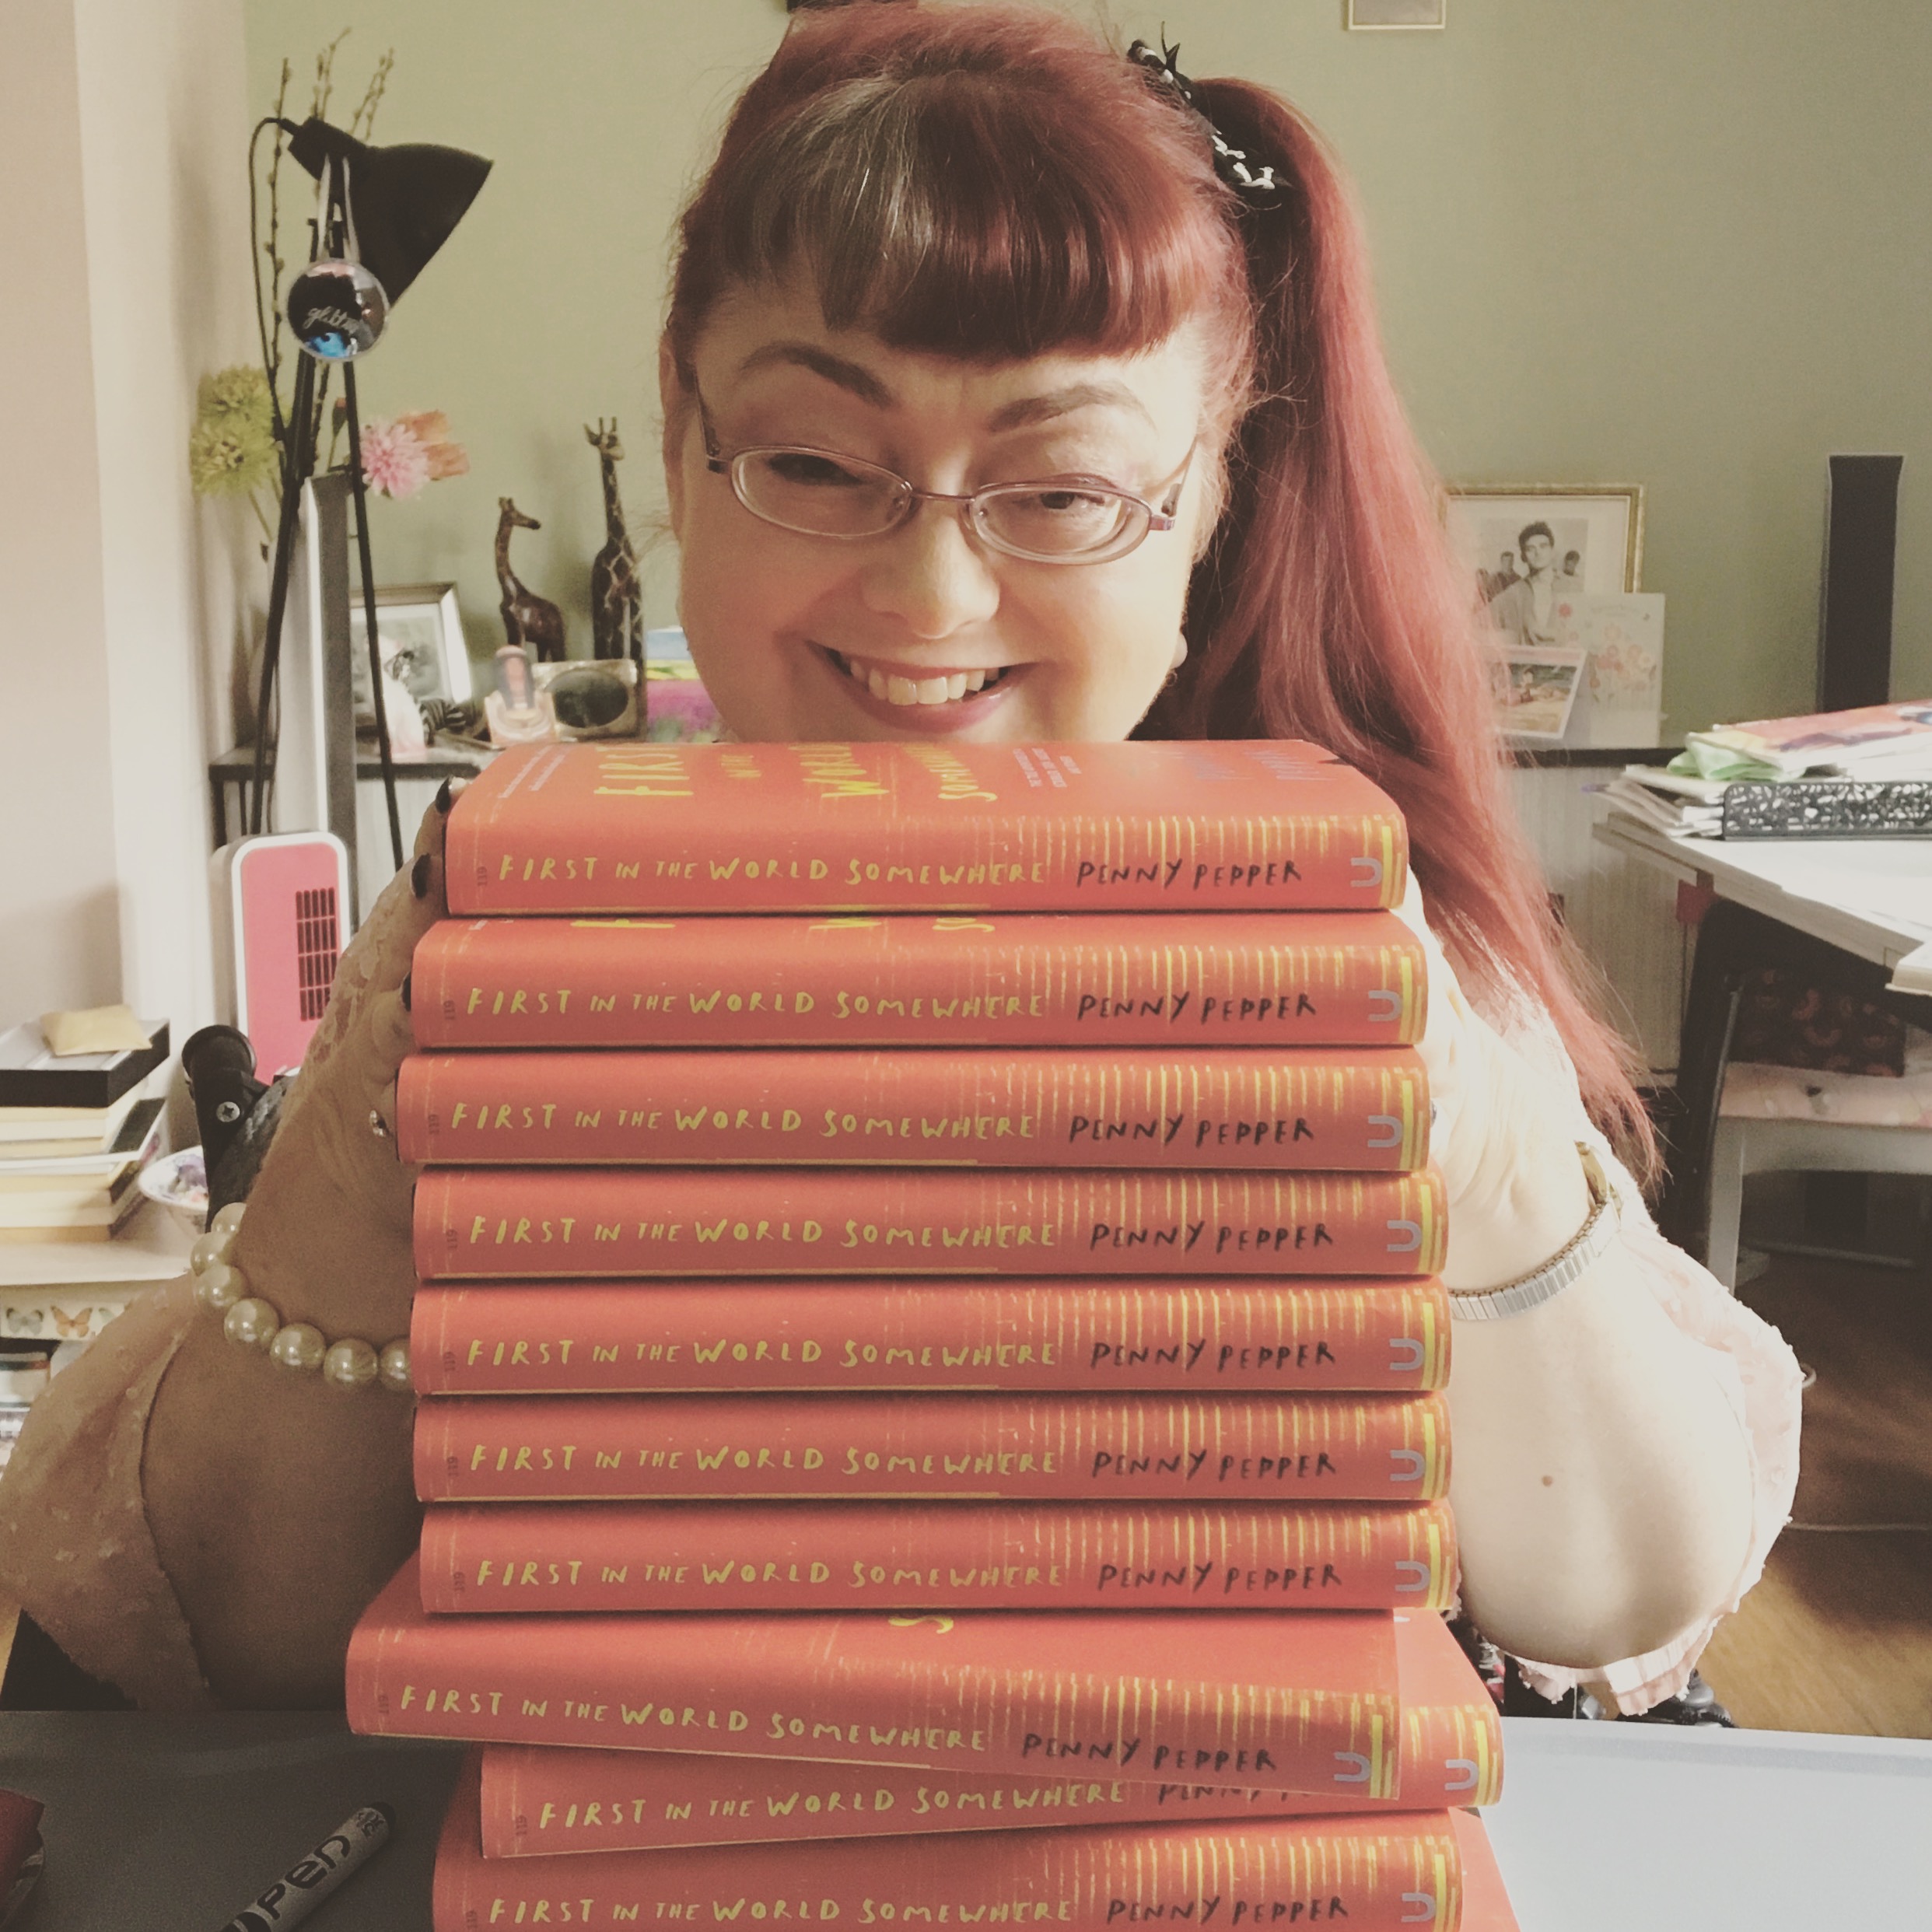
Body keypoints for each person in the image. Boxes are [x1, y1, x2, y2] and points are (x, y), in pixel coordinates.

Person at [0, 0, 1797, 1714]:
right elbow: (208, 1620)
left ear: (1208, 504)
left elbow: (1618, 1594)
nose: (927, 596)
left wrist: (1459, 1134)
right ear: (686, 442)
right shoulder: (509, 918)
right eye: (811, 455)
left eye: (1060, 490)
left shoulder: (1340, 931)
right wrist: (393, 1099)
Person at [1487, 520, 1565, 647]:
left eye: (1543, 546)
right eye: (1530, 549)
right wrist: (1513, 636)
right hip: (1526, 664)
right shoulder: (1515, 592)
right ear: (1523, 556)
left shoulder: (1568, 587)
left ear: (1553, 551)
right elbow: (1473, 625)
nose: (1538, 553)